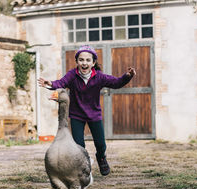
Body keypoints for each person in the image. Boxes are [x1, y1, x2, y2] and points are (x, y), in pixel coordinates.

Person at [38, 45, 136, 176]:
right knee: (79, 146)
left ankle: (101, 158)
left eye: (88, 60)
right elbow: (61, 83)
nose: (84, 63)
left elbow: (116, 83)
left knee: (100, 144)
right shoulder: (72, 75)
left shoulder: (99, 77)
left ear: (93, 63)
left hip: (94, 114)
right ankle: (83, 167)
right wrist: (49, 84)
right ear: (77, 61)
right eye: (81, 60)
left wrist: (127, 76)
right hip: (77, 115)